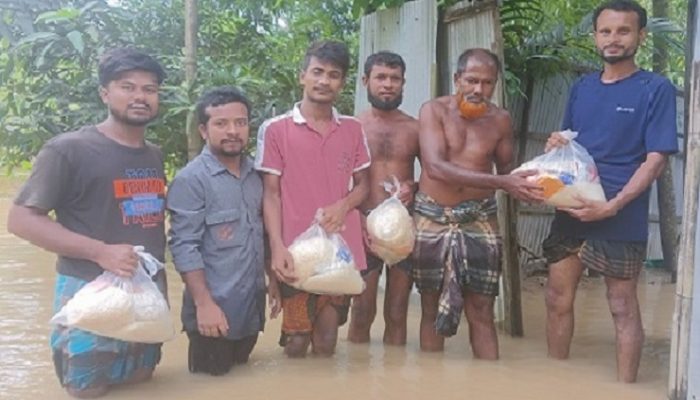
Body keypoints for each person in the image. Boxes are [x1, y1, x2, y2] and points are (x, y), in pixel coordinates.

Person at [6, 48, 168, 398]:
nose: (140, 96)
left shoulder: (153, 154)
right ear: (104, 93)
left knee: (141, 381)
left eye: (149, 89)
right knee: (87, 390)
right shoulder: (68, 150)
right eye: (128, 87)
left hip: (146, 296)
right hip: (87, 293)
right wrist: (100, 252)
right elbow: (20, 219)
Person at [542, 0, 677, 383]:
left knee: (621, 306)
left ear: (641, 36)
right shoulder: (581, 87)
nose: (613, 39)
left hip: (621, 213)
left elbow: (655, 161)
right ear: (595, 36)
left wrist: (613, 205)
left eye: (623, 31)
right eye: (606, 31)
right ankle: (554, 382)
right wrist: (555, 143)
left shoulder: (656, 88)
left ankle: (624, 388)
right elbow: (568, 144)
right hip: (571, 209)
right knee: (556, 298)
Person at [416, 48, 542, 359]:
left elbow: (510, 172)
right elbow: (434, 168)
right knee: (430, 305)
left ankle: (490, 383)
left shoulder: (500, 120)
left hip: (480, 217)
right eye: (471, 80)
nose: (478, 90)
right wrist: (503, 183)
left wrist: (550, 161)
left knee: (482, 307)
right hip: (432, 213)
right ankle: (427, 387)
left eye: (487, 83)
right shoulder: (433, 111)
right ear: (457, 79)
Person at [255, 40, 370, 357]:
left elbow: (363, 186)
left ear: (342, 83)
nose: (324, 80)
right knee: (295, 341)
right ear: (302, 76)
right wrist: (276, 247)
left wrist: (343, 205)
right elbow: (271, 193)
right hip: (295, 250)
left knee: (327, 340)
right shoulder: (275, 130)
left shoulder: (353, 129)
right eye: (317, 72)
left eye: (333, 75)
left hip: (340, 251)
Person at [167, 86, 281, 376]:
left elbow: (263, 235)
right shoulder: (191, 180)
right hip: (213, 313)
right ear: (204, 131)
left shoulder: (258, 174)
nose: (233, 131)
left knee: (241, 378)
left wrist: (273, 282)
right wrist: (204, 305)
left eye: (240, 123)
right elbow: (183, 246)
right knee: (211, 385)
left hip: (250, 309)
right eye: (222, 123)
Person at [347, 51, 419, 346]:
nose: (388, 84)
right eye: (380, 78)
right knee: (361, 309)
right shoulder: (352, 127)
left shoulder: (415, 128)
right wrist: (353, 221)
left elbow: (432, 175)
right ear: (366, 81)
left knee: (398, 310)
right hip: (364, 225)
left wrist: (412, 187)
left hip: (403, 229)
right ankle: (355, 380)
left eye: (395, 79)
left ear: (403, 84)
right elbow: (340, 181)